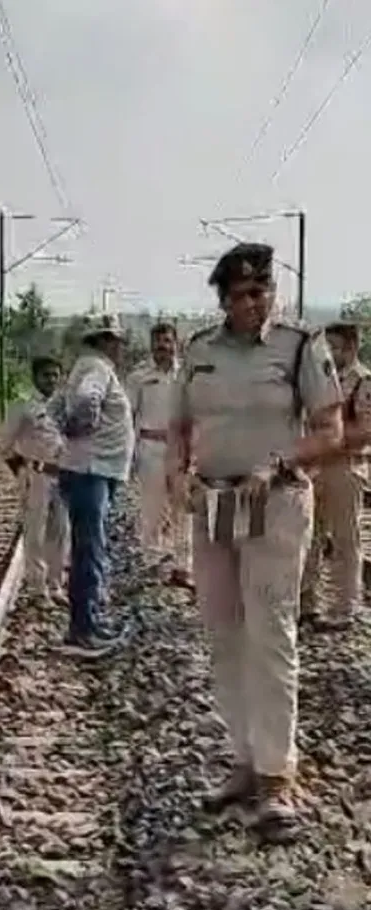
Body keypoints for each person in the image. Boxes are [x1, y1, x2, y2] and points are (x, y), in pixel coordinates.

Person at [168, 242, 343, 837]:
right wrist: (175, 473)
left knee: (271, 634)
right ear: (223, 299)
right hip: (214, 505)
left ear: (273, 291)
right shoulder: (199, 351)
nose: (252, 302)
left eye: (261, 290)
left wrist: (279, 462)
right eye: (240, 293)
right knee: (223, 632)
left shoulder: (299, 346)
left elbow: (330, 430)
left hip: (276, 502)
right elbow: (180, 425)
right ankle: (243, 759)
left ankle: (276, 777)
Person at [48, 313, 135, 657]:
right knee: (89, 550)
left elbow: (54, 405)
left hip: (91, 469)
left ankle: (89, 622)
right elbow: (85, 401)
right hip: (91, 470)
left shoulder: (85, 366)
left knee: (89, 547)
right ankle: (82, 630)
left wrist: (66, 427)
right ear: (104, 341)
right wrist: (80, 426)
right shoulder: (96, 367)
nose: (119, 347)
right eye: (114, 340)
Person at [299, 313, 371, 631]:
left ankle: (344, 608)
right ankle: (307, 603)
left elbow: (365, 430)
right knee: (311, 538)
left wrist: (329, 441)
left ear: (353, 347)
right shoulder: (325, 381)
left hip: (345, 467)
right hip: (317, 468)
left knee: (345, 540)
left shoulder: (363, 382)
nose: (331, 354)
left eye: (337, 347)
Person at [126, 320, 193, 588]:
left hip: (180, 448)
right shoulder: (138, 377)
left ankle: (183, 566)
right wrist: (129, 455)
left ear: (175, 343)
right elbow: (128, 416)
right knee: (153, 507)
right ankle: (152, 561)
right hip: (150, 446)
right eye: (157, 343)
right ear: (151, 346)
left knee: (183, 508)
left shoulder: (188, 375)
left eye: (167, 341)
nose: (162, 348)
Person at [0, 351, 68, 607]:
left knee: (61, 533)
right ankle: (38, 589)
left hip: (62, 475)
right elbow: (5, 443)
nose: (51, 380)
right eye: (46, 375)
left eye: (55, 375)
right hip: (36, 475)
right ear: (35, 378)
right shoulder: (24, 407)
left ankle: (56, 584)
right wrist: (20, 471)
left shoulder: (65, 406)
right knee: (35, 534)